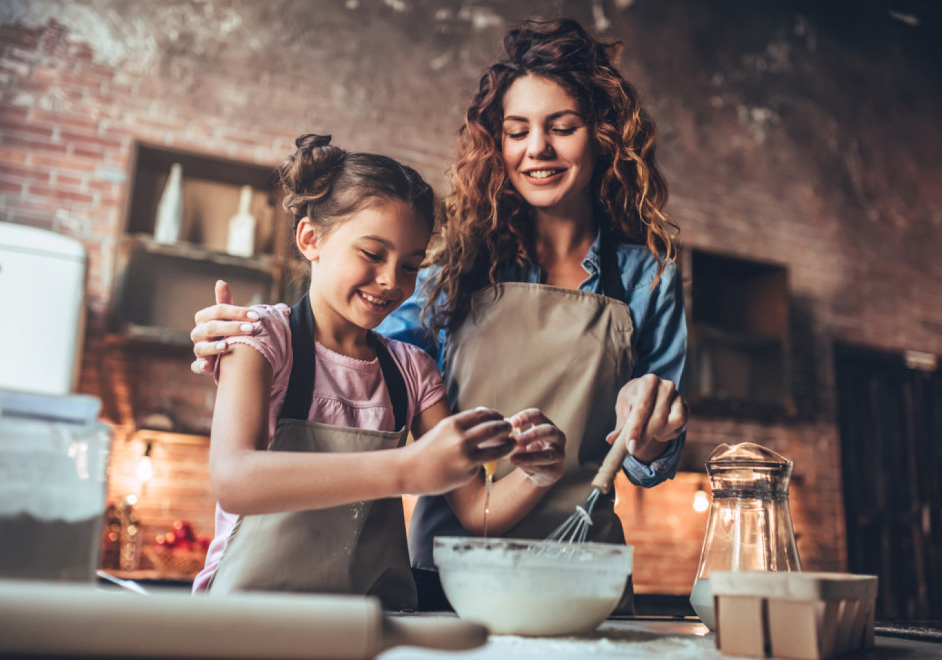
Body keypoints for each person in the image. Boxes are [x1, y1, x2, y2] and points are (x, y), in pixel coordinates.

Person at [191, 18, 688, 613]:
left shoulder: (648, 278)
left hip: (581, 569)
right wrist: (234, 343)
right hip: (448, 574)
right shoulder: (454, 265)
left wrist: (653, 436)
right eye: (517, 131)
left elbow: (645, 462)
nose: (538, 149)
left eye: (563, 127)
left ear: (601, 135)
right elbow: (353, 355)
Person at [191, 134, 566, 612]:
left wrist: (538, 475)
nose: (392, 281)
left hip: (366, 626)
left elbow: (478, 512)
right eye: (372, 254)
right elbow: (234, 478)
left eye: (410, 266)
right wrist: (407, 468)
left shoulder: (412, 371)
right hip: (248, 622)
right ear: (312, 239)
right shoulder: (263, 338)